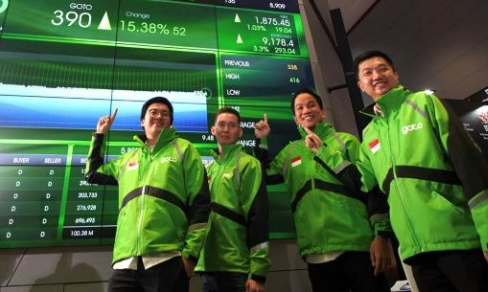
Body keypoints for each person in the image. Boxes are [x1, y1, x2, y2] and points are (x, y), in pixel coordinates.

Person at [352, 50, 488, 292]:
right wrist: (382, 235)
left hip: (462, 241)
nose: (376, 75)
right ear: (360, 85)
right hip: (416, 251)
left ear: (396, 74)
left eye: (383, 68)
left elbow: (470, 164)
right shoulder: (369, 135)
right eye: (368, 73)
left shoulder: (424, 103)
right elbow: (374, 191)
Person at [254, 88, 395, 292]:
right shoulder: (290, 152)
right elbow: (262, 176)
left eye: (311, 105)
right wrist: (262, 140)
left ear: (323, 112)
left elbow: (371, 188)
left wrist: (381, 236)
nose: (306, 110)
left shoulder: (346, 141)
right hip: (316, 254)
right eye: (299, 108)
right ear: (295, 119)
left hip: (358, 248)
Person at [85, 97, 211, 292]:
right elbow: (92, 173)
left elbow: (201, 204)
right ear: (142, 121)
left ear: (171, 123)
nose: (159, 116)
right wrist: (100, 134)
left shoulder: (184, 149)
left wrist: (189, 258)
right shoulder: (128, 159)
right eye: (153, 112)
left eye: (165, 113)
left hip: (167, 259)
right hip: (124, 263)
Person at [196, 107, 270, 292]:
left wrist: (258, 272)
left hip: (238, 266)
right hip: (208, 266)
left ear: (240, 132)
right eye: (221, 124)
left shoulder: (249, 164)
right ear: (213, 130)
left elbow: (258, 217)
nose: (226, 129)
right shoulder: (207, 169)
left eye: (232, 125)